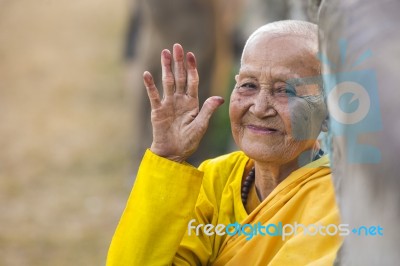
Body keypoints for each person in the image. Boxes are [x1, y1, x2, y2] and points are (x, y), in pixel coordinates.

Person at [107, 20, 342, 265]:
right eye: (249, 85)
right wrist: (167, 158)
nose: (260, 108)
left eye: (285, 91)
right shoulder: (216, 177)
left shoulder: (335, 200)